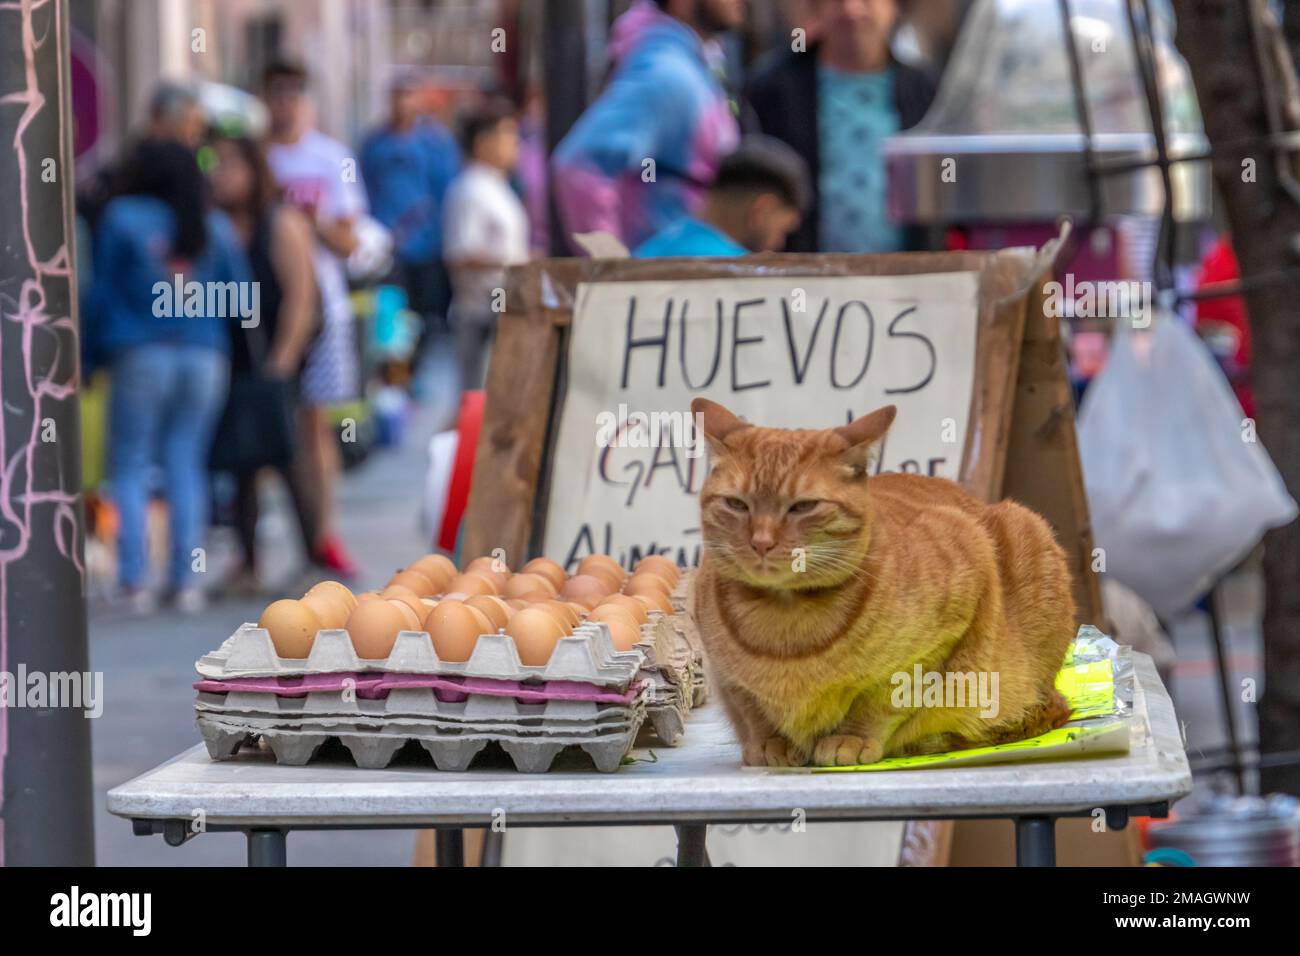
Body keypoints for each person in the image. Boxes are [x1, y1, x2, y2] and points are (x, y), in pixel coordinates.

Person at [84, 139, 249, 613]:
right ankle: (186, 581)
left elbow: (100, 296)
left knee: (131, 464)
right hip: (203, 357)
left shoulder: (121, 217)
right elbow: (241, 298)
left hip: (140, 355)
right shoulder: (212, 223)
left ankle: (134, 580)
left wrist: (90, 358)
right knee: (187, 463)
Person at [261, 58, 367, 578]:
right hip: (261, 310)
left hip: (321, 307)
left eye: (292, 94)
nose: (283, 104)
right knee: (265, 427)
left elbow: (350, 242)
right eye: (274, 93)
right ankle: (259, 543)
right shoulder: (254, 158)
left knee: (315, 425)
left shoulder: (332, 159)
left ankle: (324, 533)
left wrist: (307, 221)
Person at [207, 133, 322, 594]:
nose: (221, 175)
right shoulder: (214, 225)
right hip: (233, 360)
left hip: (274, 358)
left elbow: (301, 296)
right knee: (241, 462)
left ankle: (313, 554)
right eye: (216, 165)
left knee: (286, 455)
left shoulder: (280, 222)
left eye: (231, 166)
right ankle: (248, 561)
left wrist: (284, 359)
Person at [551, 0, 744, 251]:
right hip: (668, 280)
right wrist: (612, 272)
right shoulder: (668, 74)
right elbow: (580, 166)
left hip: (680, 279)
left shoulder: (688, 66)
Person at [746, 0, 936, 253]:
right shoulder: (772, 89)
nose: (851, 10)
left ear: (895, 7)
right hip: (802, 279)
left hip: (909, 276)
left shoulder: (925, 89)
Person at [359, 75, 461, 358]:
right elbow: (364, 189)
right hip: (387, 249)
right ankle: (395, 377)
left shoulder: (435, 143)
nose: (403, 103)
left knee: (426, 318)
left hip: (427, 248)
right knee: (390, 318)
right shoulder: (375, 144)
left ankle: (418, 371)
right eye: (397, 96)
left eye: (409, 95)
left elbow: (447, 192)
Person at [442, 98, 530, 392]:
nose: (515, 143)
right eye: (507, 135)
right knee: (477, 406)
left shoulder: (497, 185)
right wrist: (514, 263)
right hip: (481, 317)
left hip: (505, 314)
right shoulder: (469, 188)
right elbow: (459, 254)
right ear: (483, 142)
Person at [634, 136, 810, 257]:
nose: (778, 244)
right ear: (762, 210)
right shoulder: (740, 276)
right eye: (783, 230)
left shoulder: (650, 250)